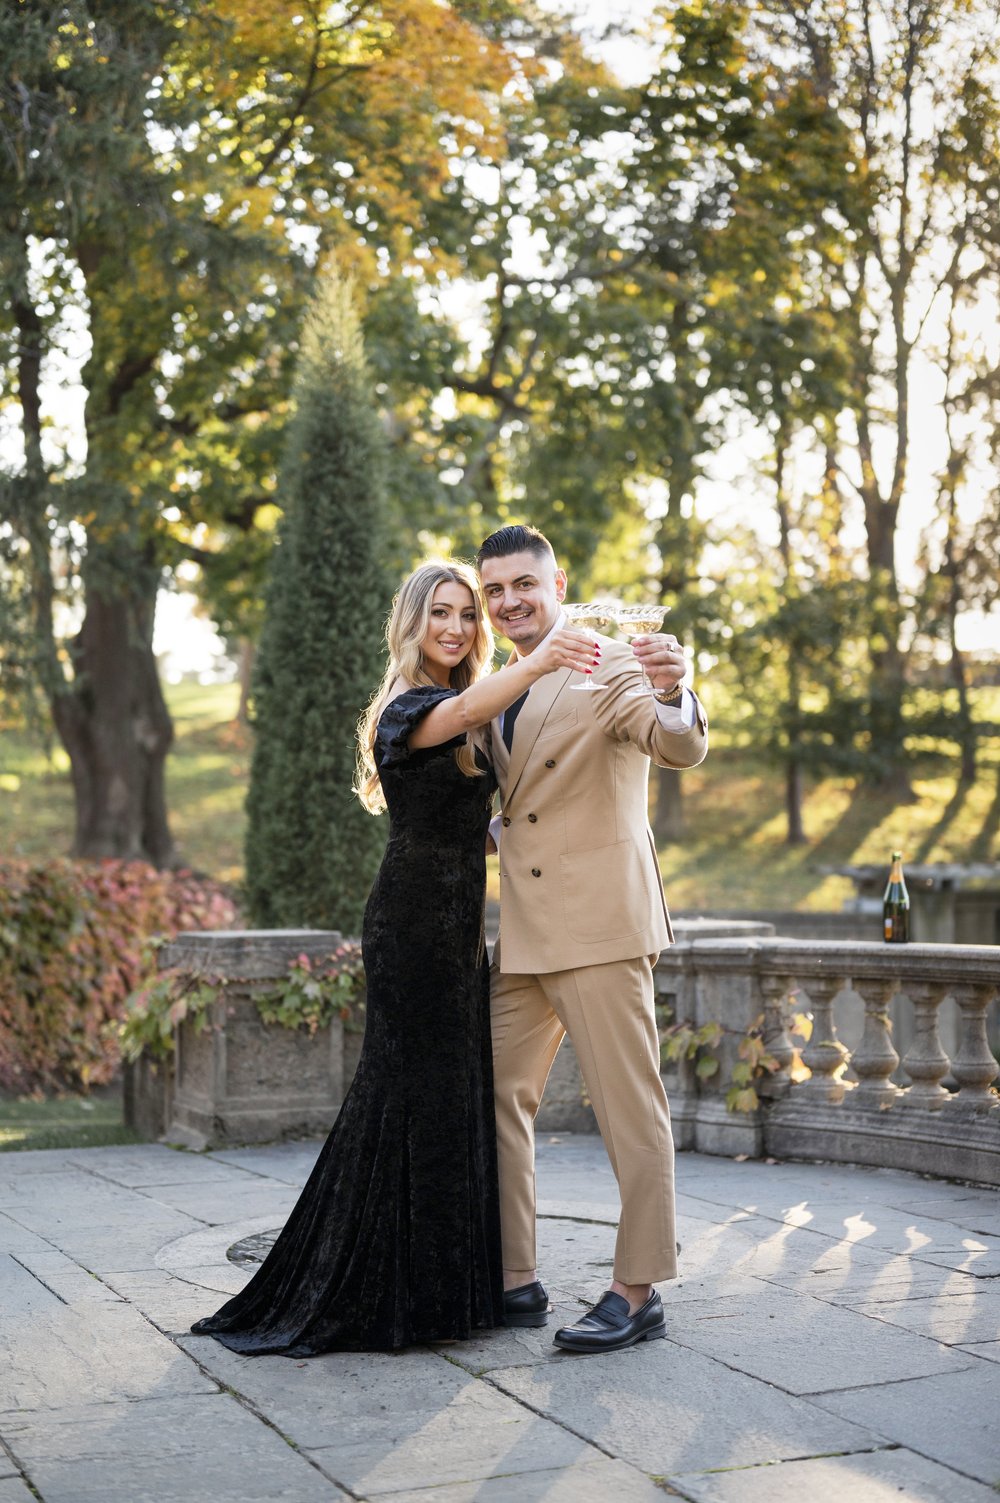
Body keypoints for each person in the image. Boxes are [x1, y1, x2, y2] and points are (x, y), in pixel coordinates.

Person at [189, 559, 598, 1354]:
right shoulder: (410, 706)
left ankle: (443, 1287)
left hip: (455, 933)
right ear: (410, 625)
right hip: (409, 929)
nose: (456, 627)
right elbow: (472, 705)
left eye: (465, 615)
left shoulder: (466, 713)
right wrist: (543, 653)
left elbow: (473, 816)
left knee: (447, 1100)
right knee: (407, 1096)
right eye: (439, 613)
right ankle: (382, 1285)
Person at [476, 525, 709, 1355]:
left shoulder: (607, 661)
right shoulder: (499, 681)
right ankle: (513, 1277)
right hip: (527, 934)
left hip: (603, 926)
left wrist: (676, 692)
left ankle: (636, 1290)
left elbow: (671, 741)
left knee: (628, 1110)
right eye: (494, 589)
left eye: (523, 584)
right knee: (494, 1098)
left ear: (558, 581)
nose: (509, 601)